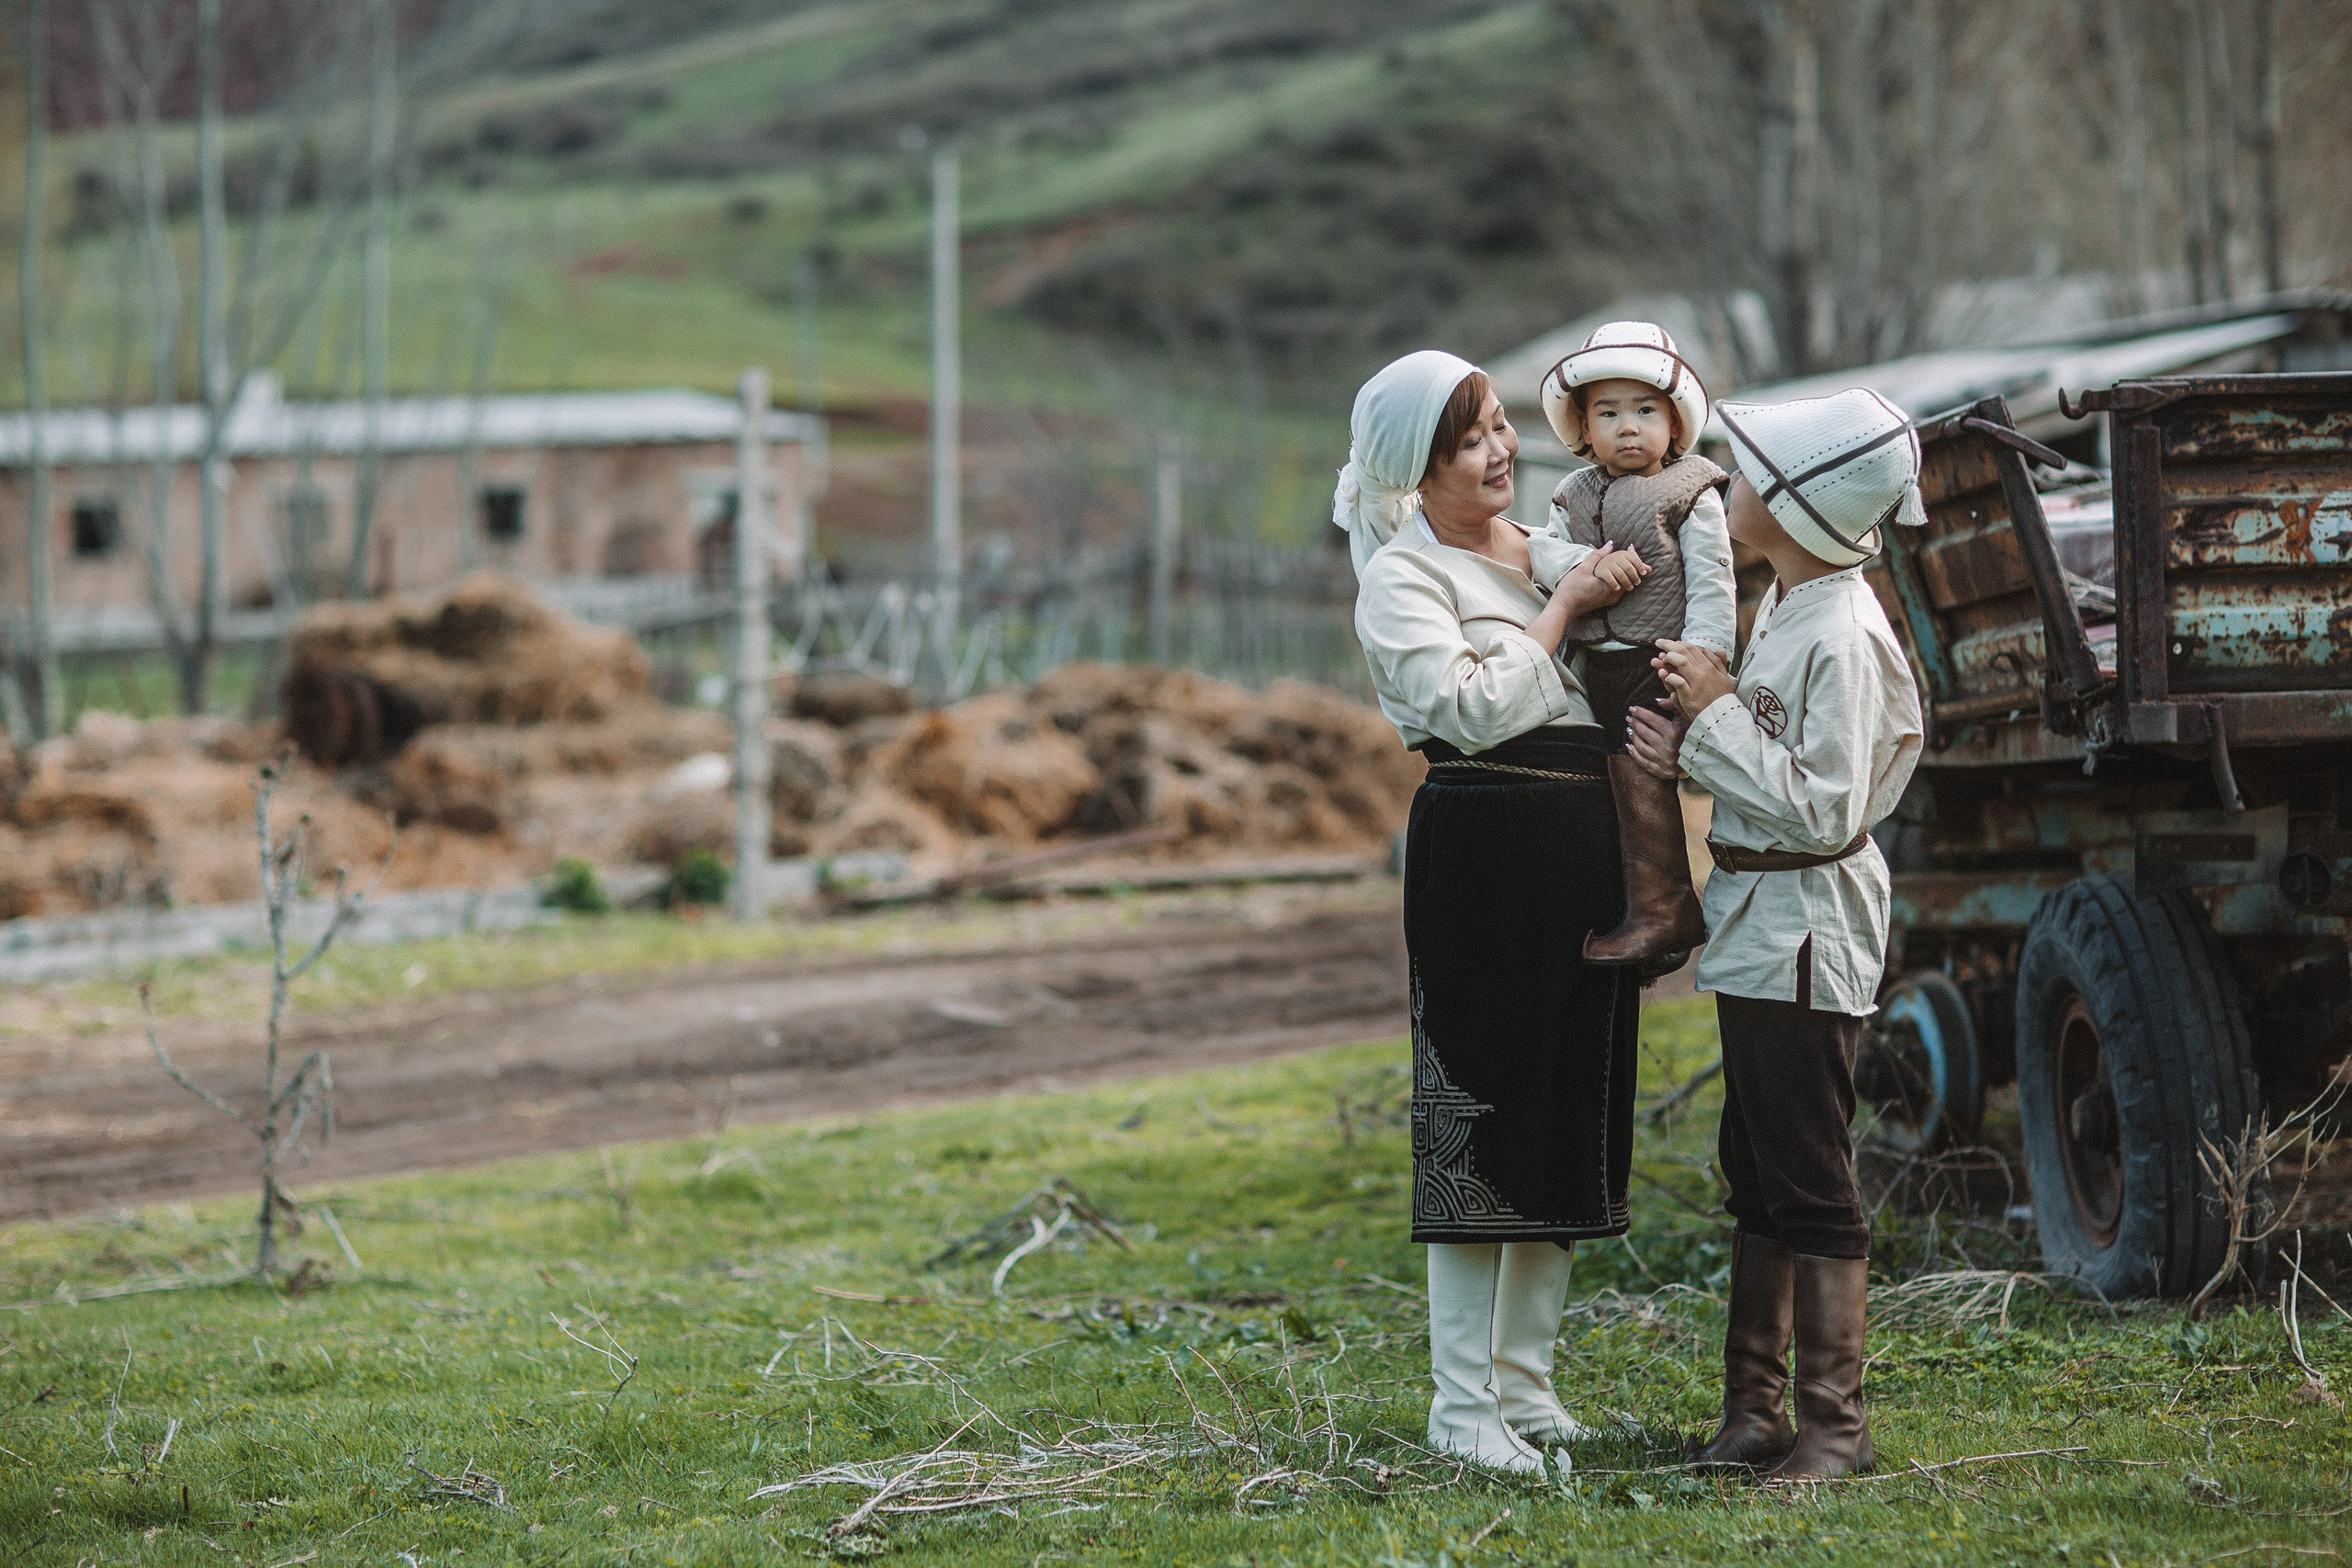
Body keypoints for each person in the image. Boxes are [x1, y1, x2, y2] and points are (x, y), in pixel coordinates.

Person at [1340, 350, 1652, 1476]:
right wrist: (1563, 609)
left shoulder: (1545, 540)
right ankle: (1459, 1406)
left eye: (1499, 429)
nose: (1499, 451)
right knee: (1476, 1114)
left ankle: (1525, 1386)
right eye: (1467, 442)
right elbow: (1468, 709)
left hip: (1581, 838)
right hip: (1482, 844)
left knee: (1569, 1099)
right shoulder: (1402, 579)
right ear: (1413, 473)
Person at [1624, 388, 1928, 1483]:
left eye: (1748, 474)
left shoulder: (1840, 633)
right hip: (1762, 926)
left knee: (1808, 1174)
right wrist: (1692, 740)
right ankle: (1752, 1414)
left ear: (1797, 504)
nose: (1728, 484)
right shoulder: (1792, 603)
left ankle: (1834, 1430)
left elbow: (1823, 809)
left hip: (1806, 930)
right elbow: (1769, 766)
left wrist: (1711, 714)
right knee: (1753, 1167)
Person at [1531, 321, 1738, 970]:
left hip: (1657, 661)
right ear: (1583, 428)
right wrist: (1581, 565)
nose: (1628, 428)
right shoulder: (1571, 494)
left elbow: (1713, 580)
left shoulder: (1690, 492)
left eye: (1646, 411)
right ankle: (1627, 903)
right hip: (1594, 665)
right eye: (1608, 413)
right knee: (1606, 782)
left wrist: (1701, 657)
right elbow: (1543, 553)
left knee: (1643, 773)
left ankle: (1665, 908)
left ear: (1675, 423)